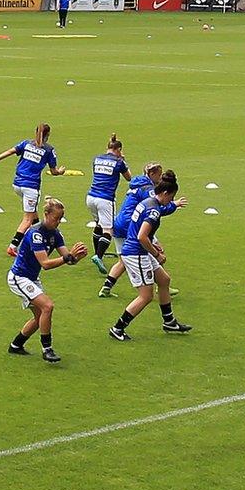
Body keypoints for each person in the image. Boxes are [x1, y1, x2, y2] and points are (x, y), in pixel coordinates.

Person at [7, 197, 89, 363]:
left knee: (40, 318)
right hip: (19, 278)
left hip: (31, 278)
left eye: (60, 219)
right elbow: (45, 264)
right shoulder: (35, 234)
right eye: (55, 218)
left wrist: (76, 258)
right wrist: (68, 258)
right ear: (46, 214)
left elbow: (67, 258)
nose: (58, 222)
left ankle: (16, 345)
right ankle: (47, 349)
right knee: (48, 306)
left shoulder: (56, 234)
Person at [109, 174, 192, 340]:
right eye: (172, 197)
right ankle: (118, 328)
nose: (172, 200)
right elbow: (141, 236)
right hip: (136, 254)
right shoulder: (153, 210)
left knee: (164, 280)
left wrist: (153, 245)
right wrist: (156, 253)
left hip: (139, 250)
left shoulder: (147, 202)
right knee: (146, 296)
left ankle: (169, 321)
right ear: (166, 193)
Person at [100, 165, 185, 299]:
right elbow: (157, 209)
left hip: (119, 224)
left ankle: (106, 286)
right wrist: (174, 205)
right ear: (151, 174)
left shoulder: (137, 183)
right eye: (159, 175)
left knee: (124, 259)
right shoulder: (149, 190)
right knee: (157, 251)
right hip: (133, 226)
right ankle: (161, 285)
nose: (160, 179)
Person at [0, 122, 62, 255]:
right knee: (28, 219)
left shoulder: (26, 143)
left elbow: (10, 151)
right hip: (30, 187)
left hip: (17, 184)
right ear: (48, 135)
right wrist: (61, 171)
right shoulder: (48, 150)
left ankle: (41, 238)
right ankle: (13, 246)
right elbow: (53, 171)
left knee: (34, 214)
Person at [84, 135, 129, 271]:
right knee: (108, 229)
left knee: (98, 225)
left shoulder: (96, 159)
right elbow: (129, 178)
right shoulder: (119, 162)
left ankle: (98, 253)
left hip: (91, 197)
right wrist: (123, 160)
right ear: (119, 149)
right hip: (105, 198)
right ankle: (98, 255)